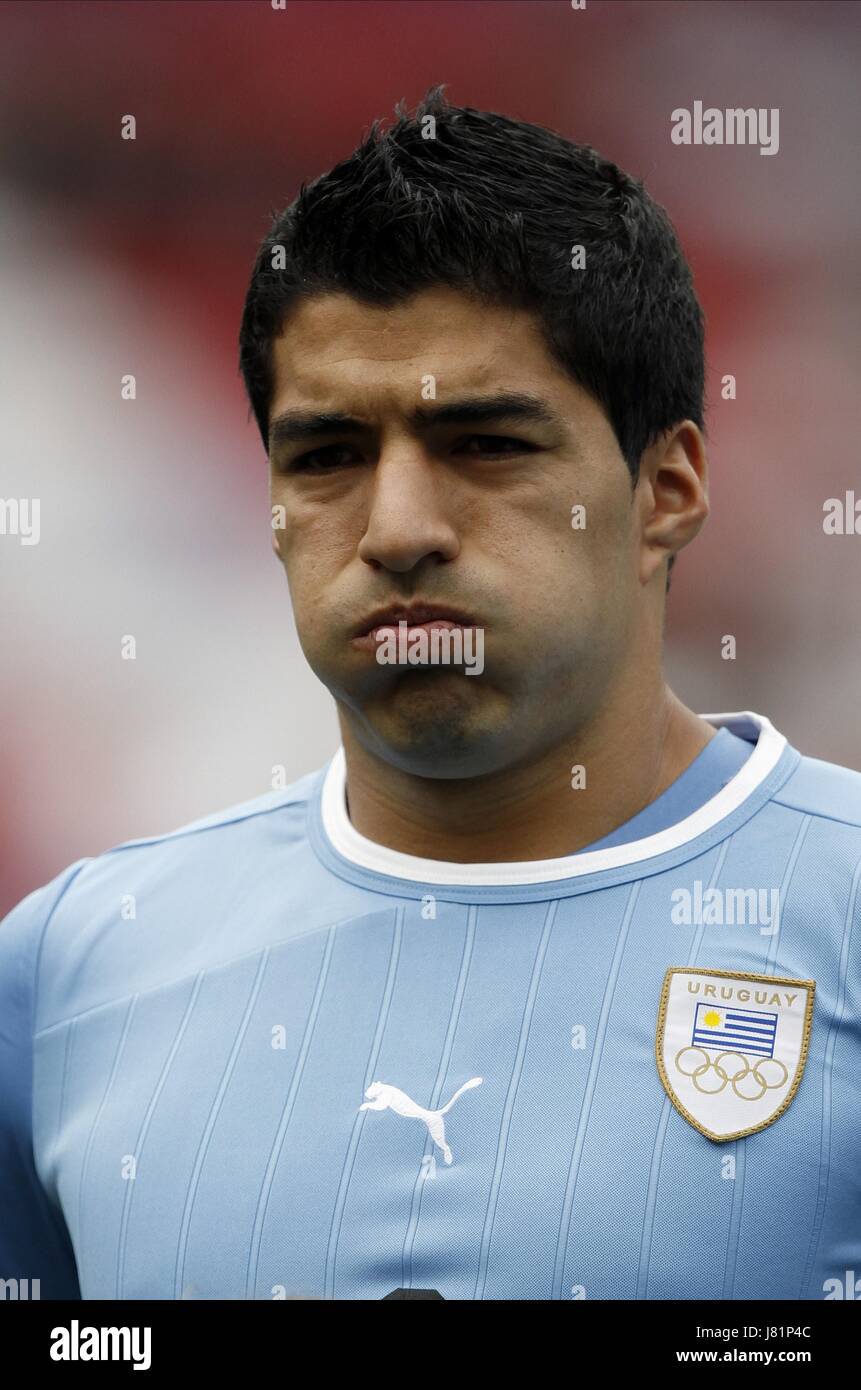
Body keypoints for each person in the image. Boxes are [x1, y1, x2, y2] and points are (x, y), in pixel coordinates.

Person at [1, 89, 858, 1302]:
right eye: (328, 457)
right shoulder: (70, 967)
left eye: (487, 444)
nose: (398, 529)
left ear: (665, 491)